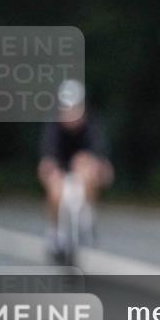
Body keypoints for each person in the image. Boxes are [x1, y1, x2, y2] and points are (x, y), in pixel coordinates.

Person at [38, 79, 114, 258]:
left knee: (87, 168)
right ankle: (56, 231)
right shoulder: (54, 126)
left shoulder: (93, 124)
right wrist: (51, 171)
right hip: (61, 173)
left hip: (84, 176)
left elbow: (103, 162)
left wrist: (94, 165)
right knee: (55, 187)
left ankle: (87, 219)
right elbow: (47, 161)